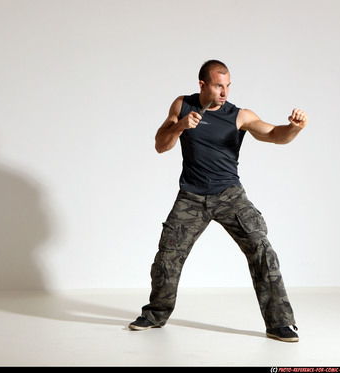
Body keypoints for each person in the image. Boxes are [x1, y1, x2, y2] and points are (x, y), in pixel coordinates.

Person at [129, 60, 308, 342]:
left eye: (227, 86)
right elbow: (161, 145)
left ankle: (280, 323)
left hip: (229, 195)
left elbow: (274, 135)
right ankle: (154, 314)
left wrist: (294, 128)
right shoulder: (181, 106)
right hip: (191, 196)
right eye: (217, 85)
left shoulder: (240, 116)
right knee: (167, 256)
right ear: (203, 85)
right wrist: (180, 127)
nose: (224, 92)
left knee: (262, 249)